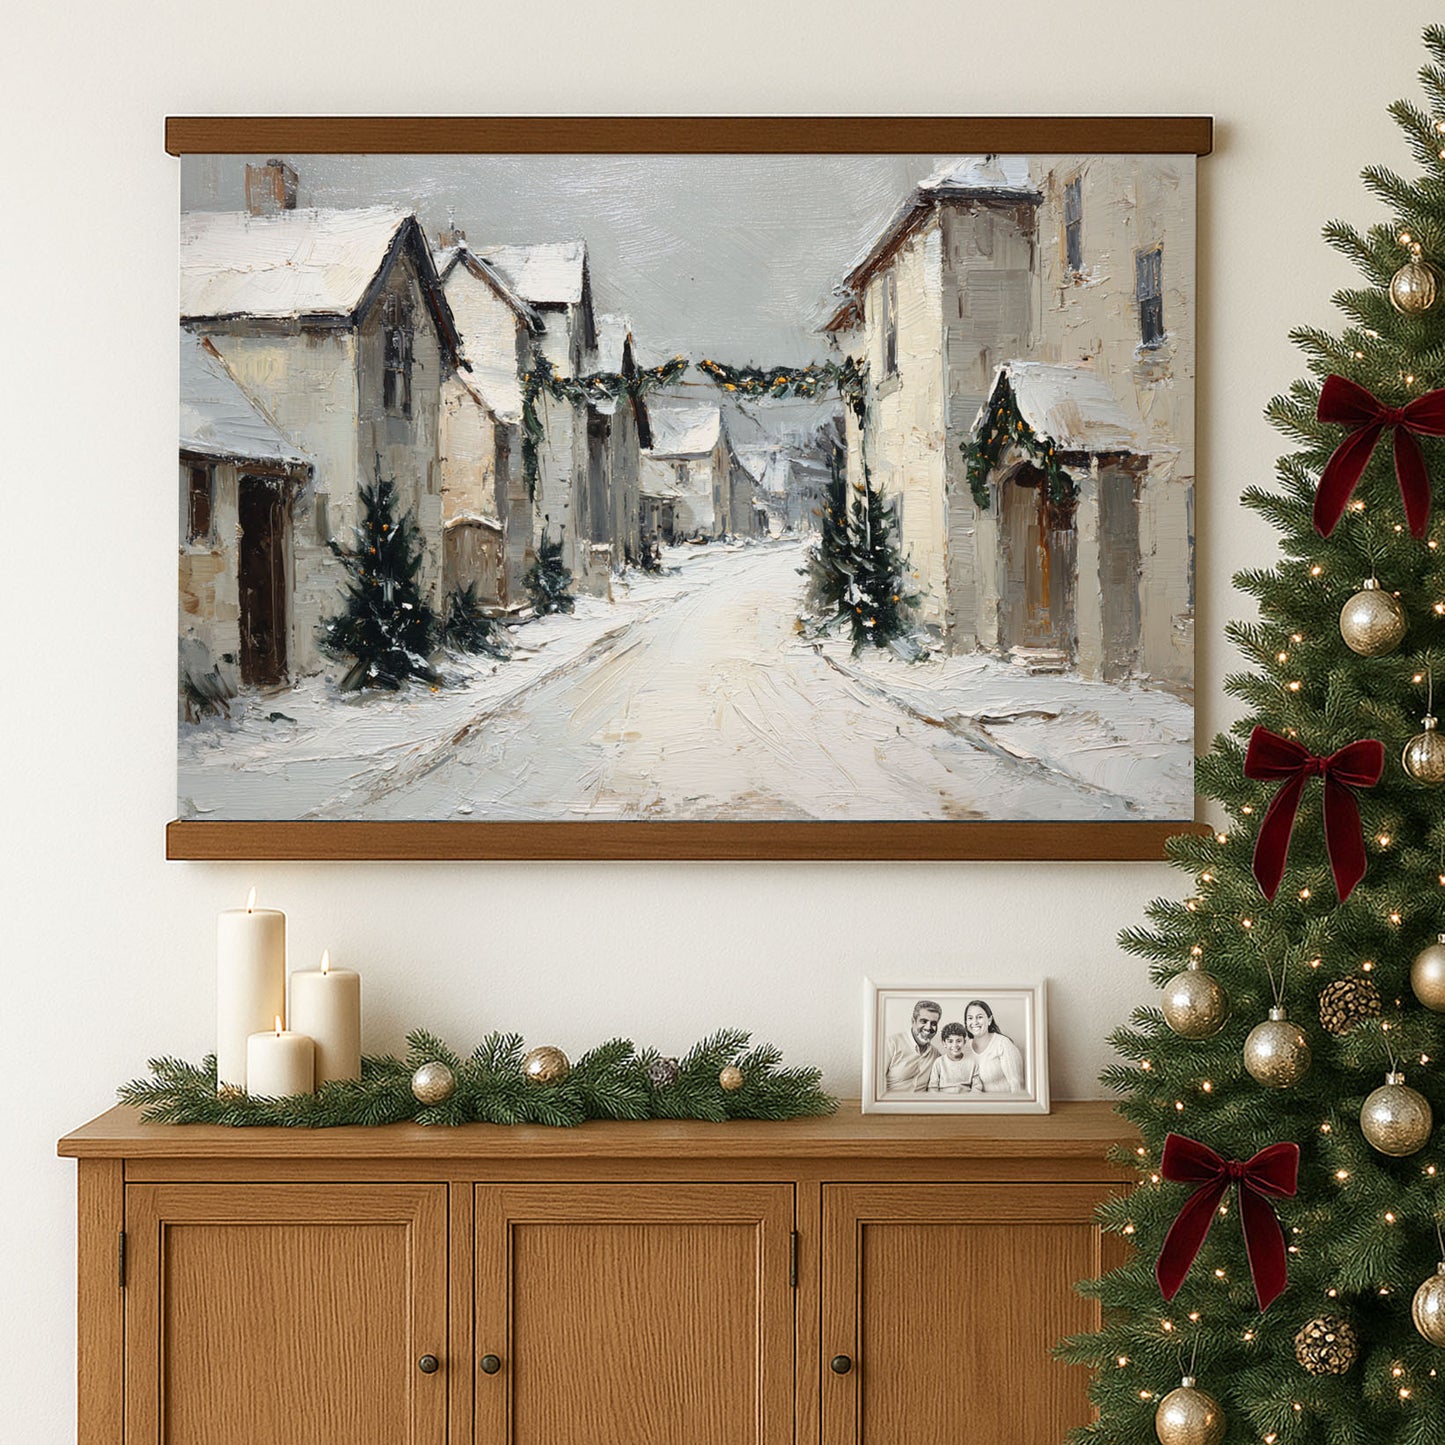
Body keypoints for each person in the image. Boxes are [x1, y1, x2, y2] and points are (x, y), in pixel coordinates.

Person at [962, 999, 1025, 1094]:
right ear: (966, 1022)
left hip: (1004, 1102)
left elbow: (1017, 1085)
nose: (974, 1022)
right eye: (970, 1018)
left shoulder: (1003, 1044)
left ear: (989, 1020)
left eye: (979, 1017)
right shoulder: (964, 1048)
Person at [883, 999, 942, 1092]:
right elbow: (874, 1084)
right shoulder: (891, 1043)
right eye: (924, 1021)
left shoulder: (936, 1055)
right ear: (913, 1021)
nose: (928, 1027)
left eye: (933, 1023)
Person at [927, 1021, 977, 1093]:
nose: (955, 1045)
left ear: (964, 1042)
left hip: (966, 1098)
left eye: (959, 1041)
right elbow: (933, 1088)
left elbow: (977, 1087)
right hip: (943, 1098)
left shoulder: (972, 1062)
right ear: (944, 1043)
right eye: (950, 1041)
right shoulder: (939, 1063)